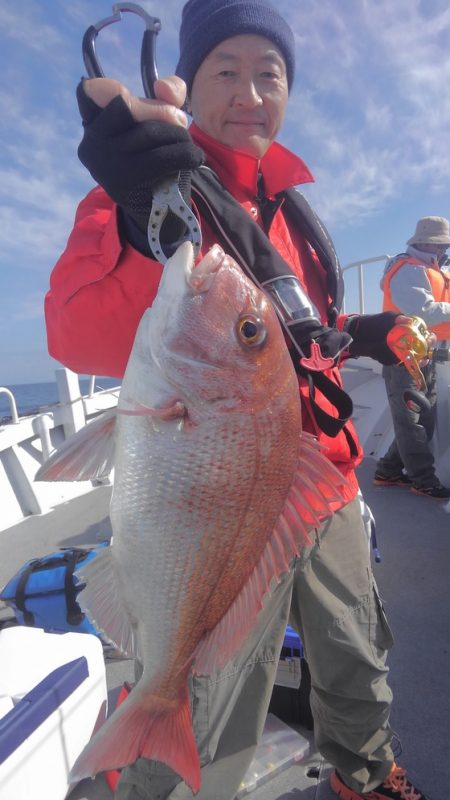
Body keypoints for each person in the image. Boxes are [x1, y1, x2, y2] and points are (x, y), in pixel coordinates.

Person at [45, 2, 430, 798]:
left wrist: (366, 330)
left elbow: (302, 332)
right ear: (189, 81)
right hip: (227, 493)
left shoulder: (295, 212)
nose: (251, 91)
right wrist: (126, 210)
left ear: (289, 90)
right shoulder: (149, 192)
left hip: (323, 484)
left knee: (356, 649)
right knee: (213, 686)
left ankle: (363, 771)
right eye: (227, 70)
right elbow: (76, 333)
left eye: (270, 73)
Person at [374, 216, 450, 499]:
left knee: (423, 420)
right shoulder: (408, 270)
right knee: (413, 422)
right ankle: (423, 480)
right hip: (402, 358)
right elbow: (425, 311)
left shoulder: (430, 269)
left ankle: (389, 470)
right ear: (422, 242)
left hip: (423, 356)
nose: (444, 252)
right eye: (440, 246)